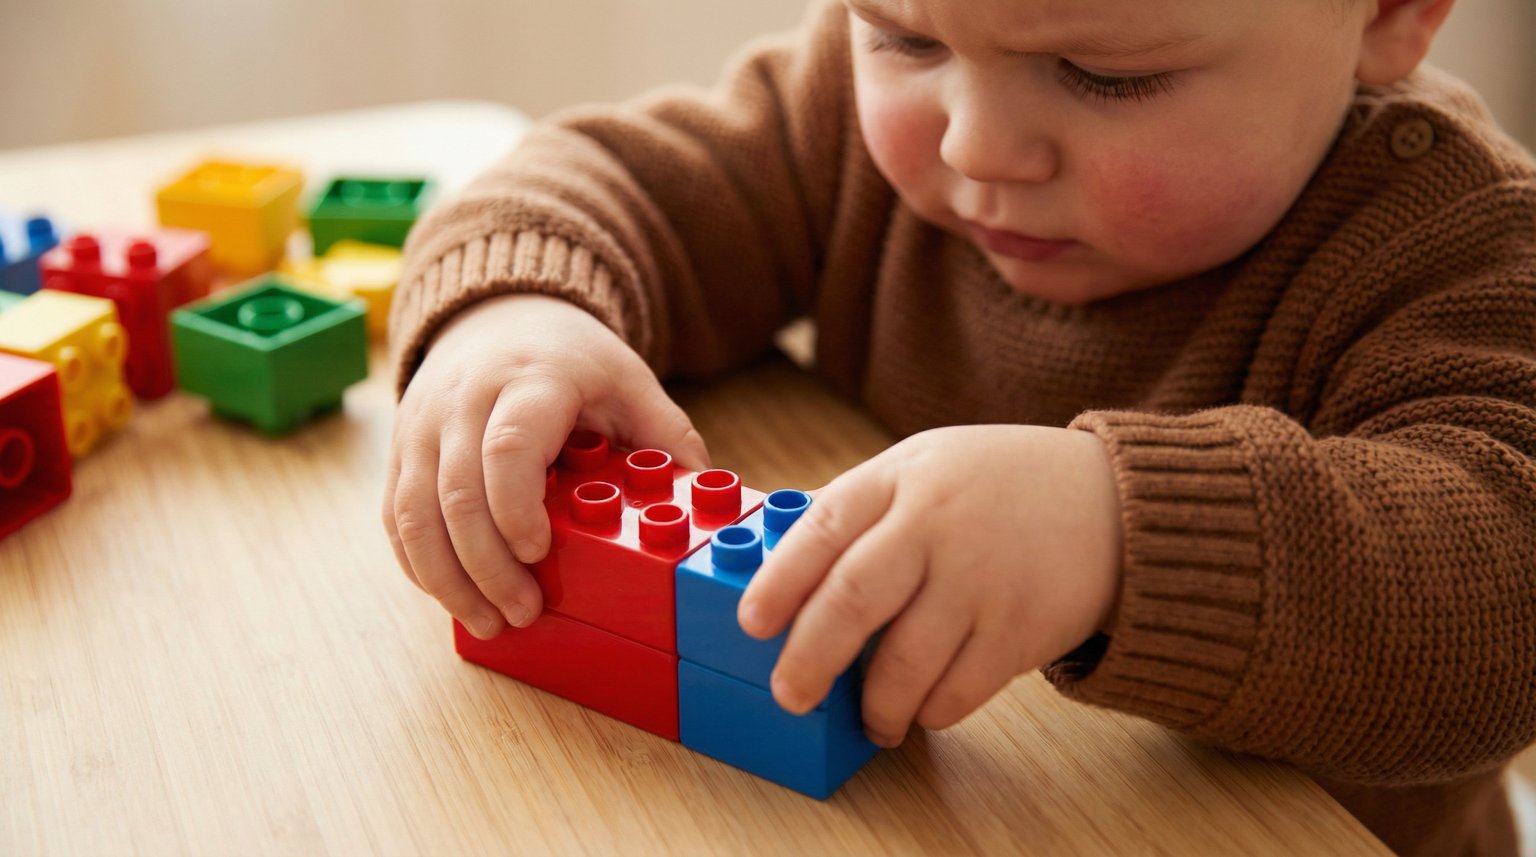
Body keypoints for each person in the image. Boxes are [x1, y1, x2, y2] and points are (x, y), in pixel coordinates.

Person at [381, 0, 1536, 853]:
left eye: (1102, 73)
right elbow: (597, 177)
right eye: (903, 38)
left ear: (1387, 15)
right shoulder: (847, 128)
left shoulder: (1457, 247)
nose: (975, 144)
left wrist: (1120, 537)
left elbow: (1504, 593)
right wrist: (517, 314)